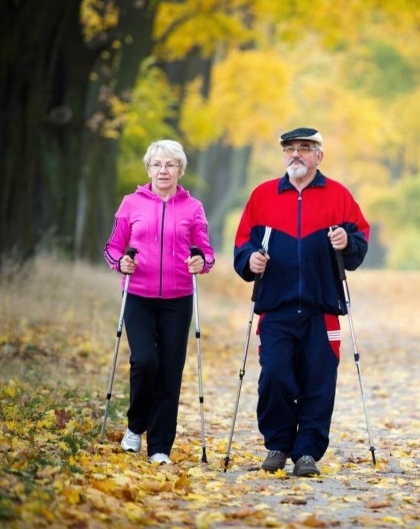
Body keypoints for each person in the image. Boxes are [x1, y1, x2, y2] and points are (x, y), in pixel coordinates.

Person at [233, 127, 370, 477]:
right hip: (275, 308)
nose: (296, 154)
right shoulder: (263, 195)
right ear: (283, 155)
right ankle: (278, 445)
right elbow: (243, 244)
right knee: (275, 377)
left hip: (321, 309)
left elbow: (359, 241)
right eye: (290, 148)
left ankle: (307, 452)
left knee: (318, 382)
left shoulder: (338, 195)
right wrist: (250, 260)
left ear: (318, 156)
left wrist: (347, 241)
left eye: (305, 148)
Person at [104, 139, 215, 465]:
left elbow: (206, 252)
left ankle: (160, 447)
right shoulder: (131, 203)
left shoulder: (193, 208)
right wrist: (121, 262)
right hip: (138, 295)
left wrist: (201, 262)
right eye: (157, 164)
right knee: (144, 362)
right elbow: (113, 247)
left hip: (178, 300)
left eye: (170, 165)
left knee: (169, 371)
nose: (163, 170)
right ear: (149, 169)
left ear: (180, 170)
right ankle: (135, 426)